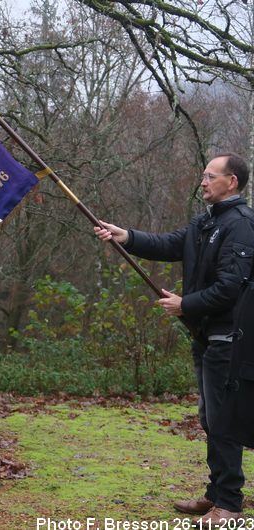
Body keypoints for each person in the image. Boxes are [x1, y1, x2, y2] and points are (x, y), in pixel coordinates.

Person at [95, 153, 254, 526]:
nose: (202, 182)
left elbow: (231, 287)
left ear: (231, 182)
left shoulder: (242, 226)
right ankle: (216, 494)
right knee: (210, 418)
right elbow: (169, 245)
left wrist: (187, 305)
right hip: (206, 337)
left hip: (230, 339)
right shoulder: (205, 223)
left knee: (224, 421)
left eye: (210, 176)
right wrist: (126, 236)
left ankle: (229, 505)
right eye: (202, 176)